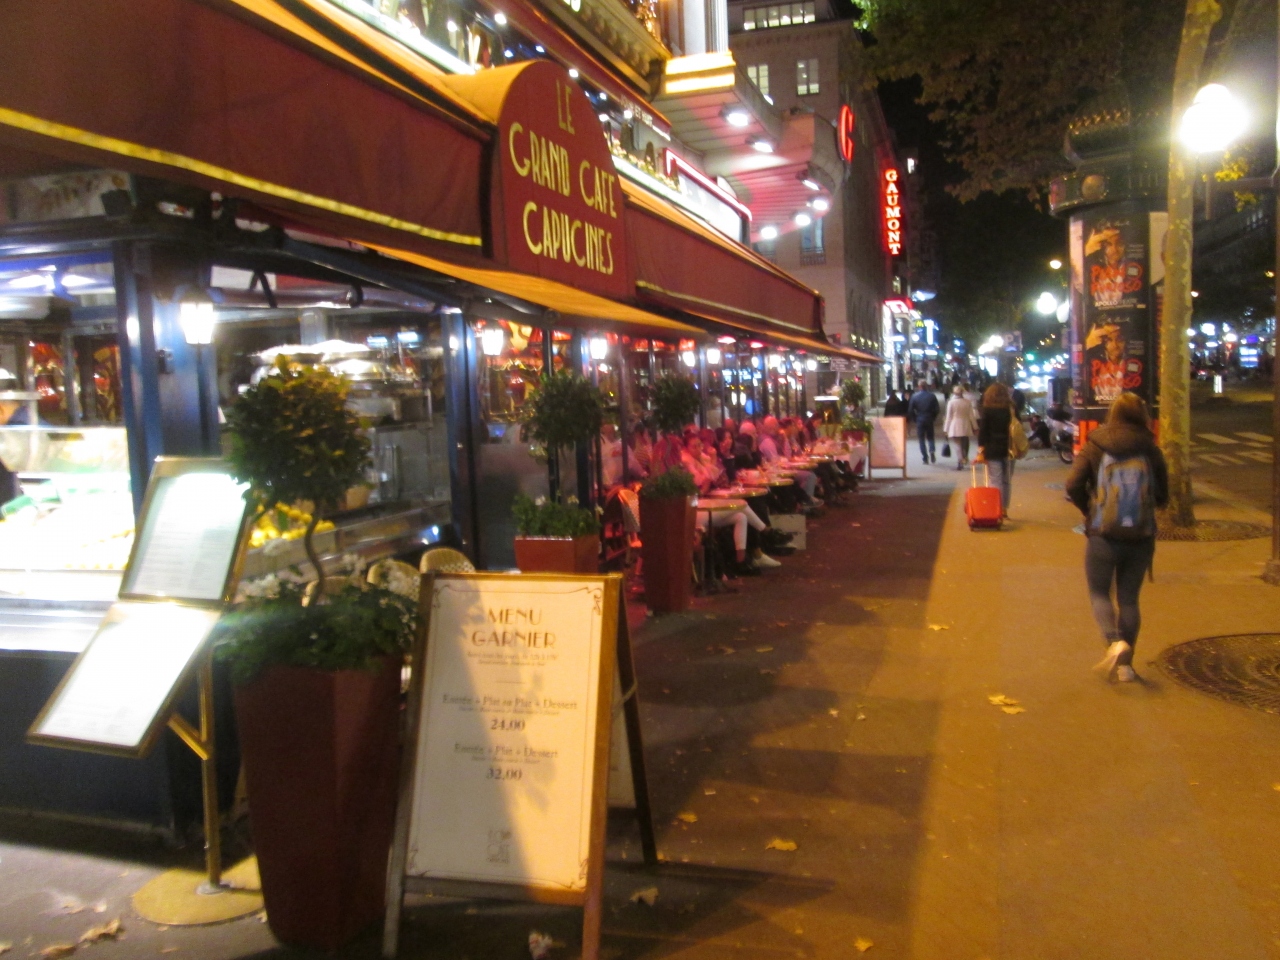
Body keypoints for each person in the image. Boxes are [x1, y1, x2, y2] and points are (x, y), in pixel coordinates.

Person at [1065, 393, 1168, 682]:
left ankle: (1113, 642)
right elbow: (1163, 495)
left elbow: (1072, 485)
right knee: (1129, 599)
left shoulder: (1095, 444)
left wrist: (1090, 510)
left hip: (1103, 533)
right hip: (1140, 535)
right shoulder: (1150, 447)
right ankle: (1126, 668)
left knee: (1099, 592)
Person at [976, 382, 1014, 517]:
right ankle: (1004, 509)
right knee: (1006, 481)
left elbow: (983, 432)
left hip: (992, 449)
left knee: (995, 480)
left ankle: (996, 509)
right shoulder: (1011, 409)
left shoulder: (988, 410)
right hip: (1010, 449)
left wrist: (981, 450)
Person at [943, 384, 977, 469]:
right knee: (965, 442)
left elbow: (948, 417)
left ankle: (960, 460)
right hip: (965, 424)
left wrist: (946, 429)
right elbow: (971, 416)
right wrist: (975, 427)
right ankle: (964, 457)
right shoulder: (967, 402)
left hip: (955, 424)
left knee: (957, 443)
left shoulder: (951, 402)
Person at [907, 380, 940, 464]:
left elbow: (910, 410)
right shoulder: (932, 396)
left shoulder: (914, 396)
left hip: (920, 418)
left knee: (921, 439)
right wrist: (933, 417)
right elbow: (937, 409)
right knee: (930, 437)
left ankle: (925, 458)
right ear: (926, 386)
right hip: (929, 418)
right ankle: (932, 450)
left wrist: (915, 418)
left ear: (919, 387)